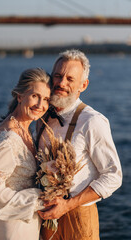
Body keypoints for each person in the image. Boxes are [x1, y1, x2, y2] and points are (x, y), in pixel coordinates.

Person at [37, 49, 122, 240]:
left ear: (83, 85)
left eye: (69, 79)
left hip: (79, 218)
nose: (61, 83)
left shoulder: (92, 121)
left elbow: (113, 176)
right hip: (44, 216)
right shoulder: (41, 117)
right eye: (57, 76)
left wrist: (69, 204)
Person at [0, 68, 51, 240]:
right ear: (20, 96)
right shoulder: (9, 139)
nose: (40, 105)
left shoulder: (25, 129)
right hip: (12, 227)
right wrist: (37, 201)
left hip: (22, 220)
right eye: (35, 96)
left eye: (46, 99)